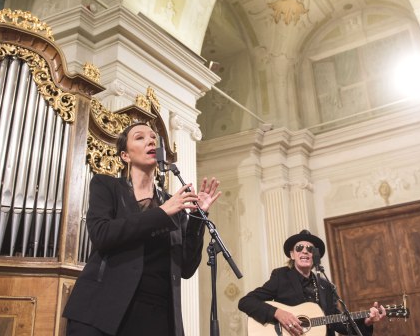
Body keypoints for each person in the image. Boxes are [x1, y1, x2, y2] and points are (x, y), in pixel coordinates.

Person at [63, 121, 221, 335]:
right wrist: (162, 212)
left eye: (153, 138)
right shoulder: (107, 186)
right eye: (140, 137)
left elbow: (186, 268)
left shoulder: (171, 203)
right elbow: (102, 235)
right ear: (125, 156)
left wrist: (195, 218)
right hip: (103, 312)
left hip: (157, 316)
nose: (150, 141)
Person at [238, 230, 386, 336]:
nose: (305, 251)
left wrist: (367, 321)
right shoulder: (281, 276)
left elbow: (339, 323)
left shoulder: (326, 286)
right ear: (292, 254)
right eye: (299, 248)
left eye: (310, 249)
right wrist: (278, 313)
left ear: (315, 256)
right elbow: (246, 302)